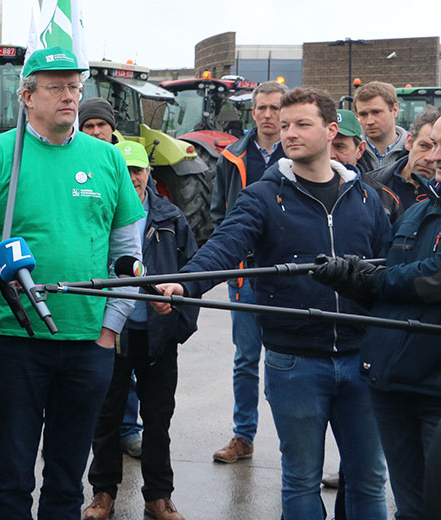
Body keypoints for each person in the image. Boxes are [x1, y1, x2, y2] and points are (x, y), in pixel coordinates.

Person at [157, 86, 390, 520]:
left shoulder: (365, 198)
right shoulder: (264, 196)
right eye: (285, 126)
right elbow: (226, 244)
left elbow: (389, 271)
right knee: (300, 479)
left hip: (363, 361)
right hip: (294, 361)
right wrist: (185, 285)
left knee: (369, 478)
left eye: (302, 124)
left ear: (330, 129)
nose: (290, 133)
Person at [0, 46, 146, 518]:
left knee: (66, 475)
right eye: (56, 87)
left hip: (88, 342)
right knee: (14, 471)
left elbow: (128, 255)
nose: (69, 96)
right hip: (20, 339)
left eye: (75, 86)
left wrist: (109, 332)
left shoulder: (107, 158)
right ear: (27, 95)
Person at [313, 111, 441, 519]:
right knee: (412, 510)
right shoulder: (419, 211)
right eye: (429, 143)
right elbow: (389, 287)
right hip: (391, 383)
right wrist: (351, 279)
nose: (433, 156)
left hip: (435, 390)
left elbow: (430, 280)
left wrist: (374, 279)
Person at [84, 141, 198, 520]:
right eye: (126, 170)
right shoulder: (101, 212)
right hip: (112, 334)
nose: (133, 178)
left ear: (149, 173)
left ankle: (158, 496)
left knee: (158, 418)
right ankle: (102, 493)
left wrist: (177, 313)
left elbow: (191, 274)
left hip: (157, 336)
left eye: (139, 170)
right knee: (107, 416)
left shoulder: (171, 218)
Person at [208, 79, 286, 464]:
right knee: (245, 359)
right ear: (252, 112)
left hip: (289, 276)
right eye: (262, 108)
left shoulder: (300, 152)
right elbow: (218, 215)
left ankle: (296, 440)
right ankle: (244, 435)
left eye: (275, 108)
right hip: (246, 276)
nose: (268, 115)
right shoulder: (232, 158)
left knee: (291, 359)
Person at [78, 99, 142, 455]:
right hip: (86, 296)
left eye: (102, 126)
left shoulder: (119, 168)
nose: (97, 132)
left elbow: (129, 248)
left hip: (120, 292)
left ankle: (129, 427)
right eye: (89, 127)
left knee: (123, 369)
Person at [367, 106, 439, 216]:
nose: (430, 158)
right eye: (423, 146)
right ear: (409, 142)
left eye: (437, 148)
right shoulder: (371, 184)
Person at [330, 109, 400, 222]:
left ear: (360, 150)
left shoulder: (384, 199)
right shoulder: (299, 193)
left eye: (340, 147)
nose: (331, 155)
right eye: (325, 146)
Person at [354, 81, 407, 173]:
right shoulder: (352, 153)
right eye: (363, 114)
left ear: (394, 110)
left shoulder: (414, 151)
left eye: (376, 112)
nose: (370, 121)